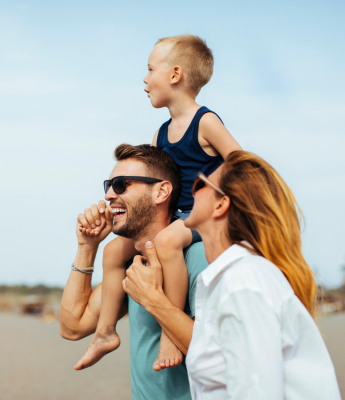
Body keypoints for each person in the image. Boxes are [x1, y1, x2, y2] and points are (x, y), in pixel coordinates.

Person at [78, 34, 242, 372]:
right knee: (112, 252)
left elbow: (241, 161)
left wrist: (212, 186)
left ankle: (172, 327)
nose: (144, 78)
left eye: (150, 69)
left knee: (166, 243)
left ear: (175, 75)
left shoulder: (205, 121)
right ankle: (105, 332)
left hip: (200, 214)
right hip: (172, 214)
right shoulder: (161, 133)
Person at [123, 151, 341, 399]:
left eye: (199, 183)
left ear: (220, 205)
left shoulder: (244, 283)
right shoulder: (228, 278)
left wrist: (153, 299)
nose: (190, 192)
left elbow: (257, 392)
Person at [60, 144, 209, 400]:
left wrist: (153, 300)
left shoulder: (198, 258)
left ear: (161, 191)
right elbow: (73, 327)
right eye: (108, 185)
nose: (108, 195)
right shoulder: (130, 265)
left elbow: (221, 356)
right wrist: (87, 247)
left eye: (121, 185)